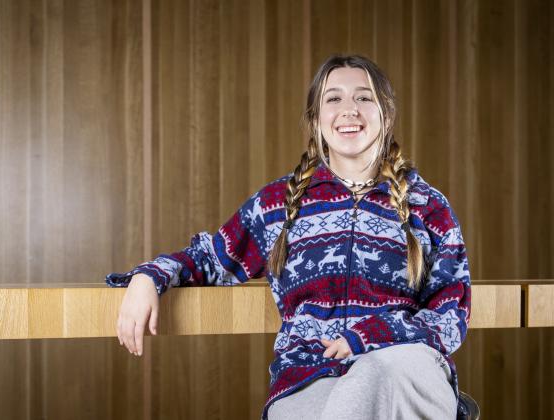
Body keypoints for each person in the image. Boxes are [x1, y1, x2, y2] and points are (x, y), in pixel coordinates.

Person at [106, 54, 471, 420]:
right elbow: (210, 260)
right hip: (308, 376)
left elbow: (449, 315)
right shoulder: (277, 205)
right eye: (333, 99)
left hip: (405, 370)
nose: (349, 110)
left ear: (386, 114)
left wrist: (369, 335)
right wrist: (148, 277)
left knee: (378, 373)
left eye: (363, 97)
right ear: (315, 119)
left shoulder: (428, 207)